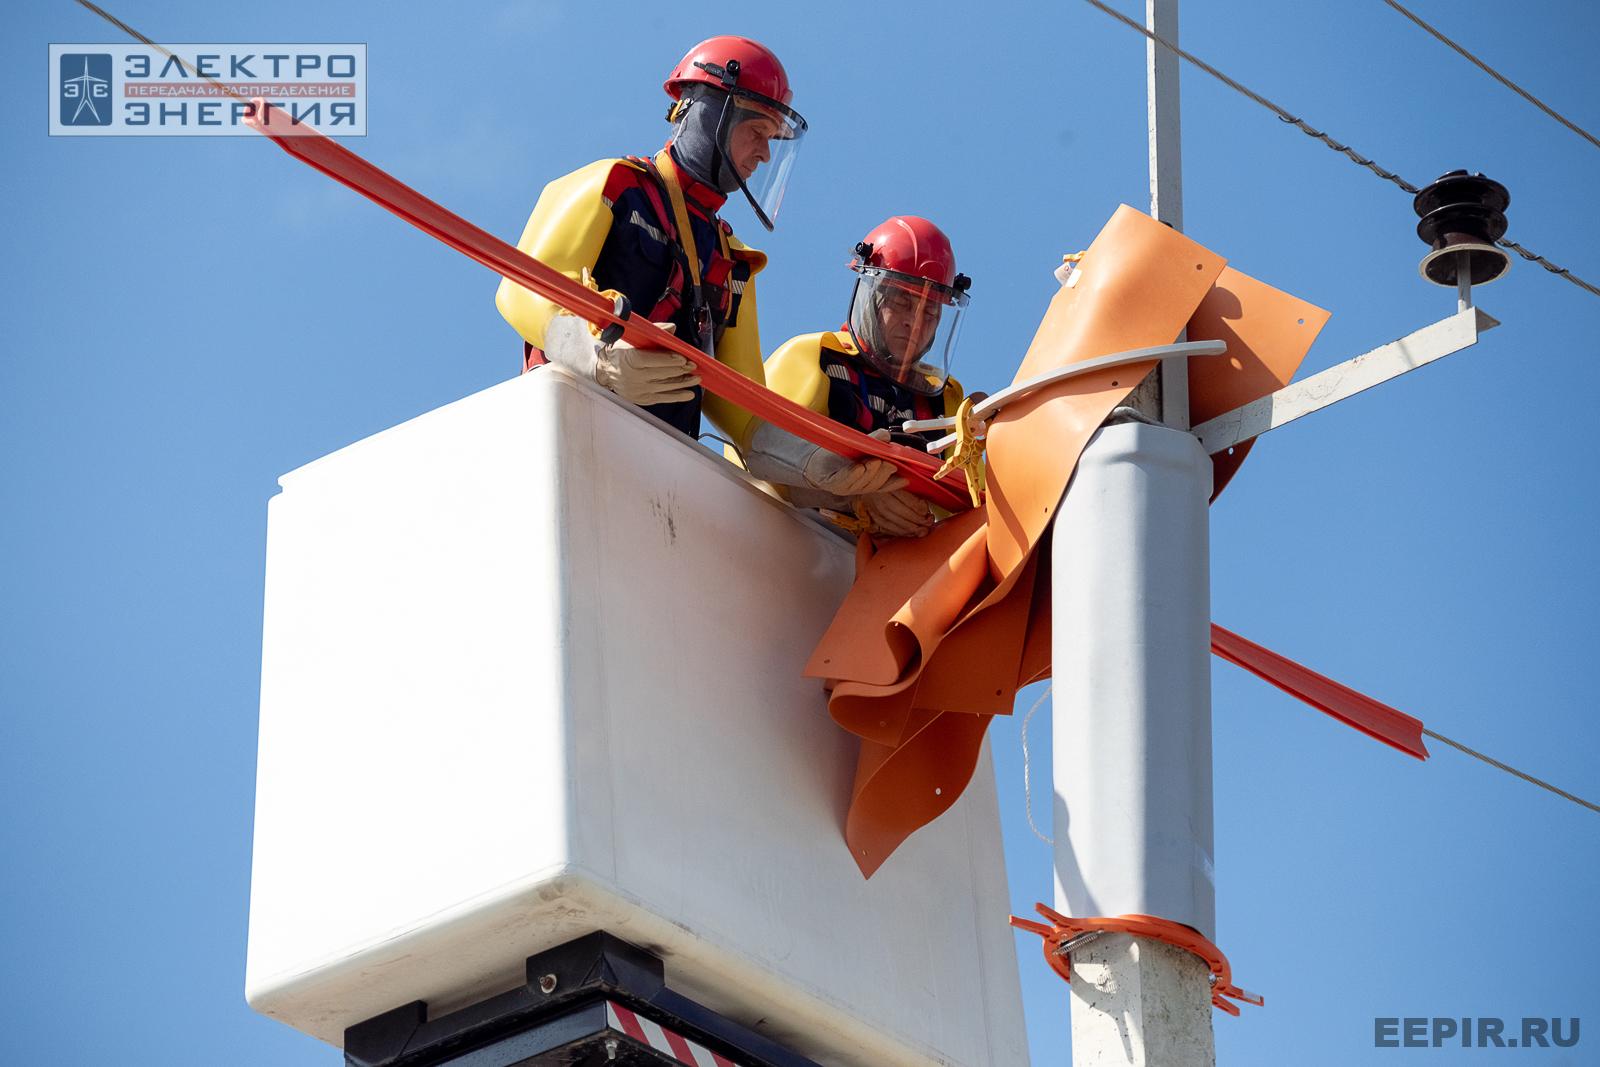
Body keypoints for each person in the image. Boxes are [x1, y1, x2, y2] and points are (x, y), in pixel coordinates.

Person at [496, 37, 902, 501]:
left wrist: (818, 465)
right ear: (713, 114)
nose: (765, 154)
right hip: (565, 434)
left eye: (772, 138)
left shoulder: (732, 258)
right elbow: (520, 288)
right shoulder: (613, 185)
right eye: (757, 131)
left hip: (663, 476)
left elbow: (745, 409)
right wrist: (597, 359)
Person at [763, 216, 974, 537]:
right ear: (871, 299)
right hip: (794, 551)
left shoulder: (946, 399)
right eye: (902, 303)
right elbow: (759, 460)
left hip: (902, 574)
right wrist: (857, 497)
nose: (914, 323)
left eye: (929, 312)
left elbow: (972, 506)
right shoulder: (814, 355)